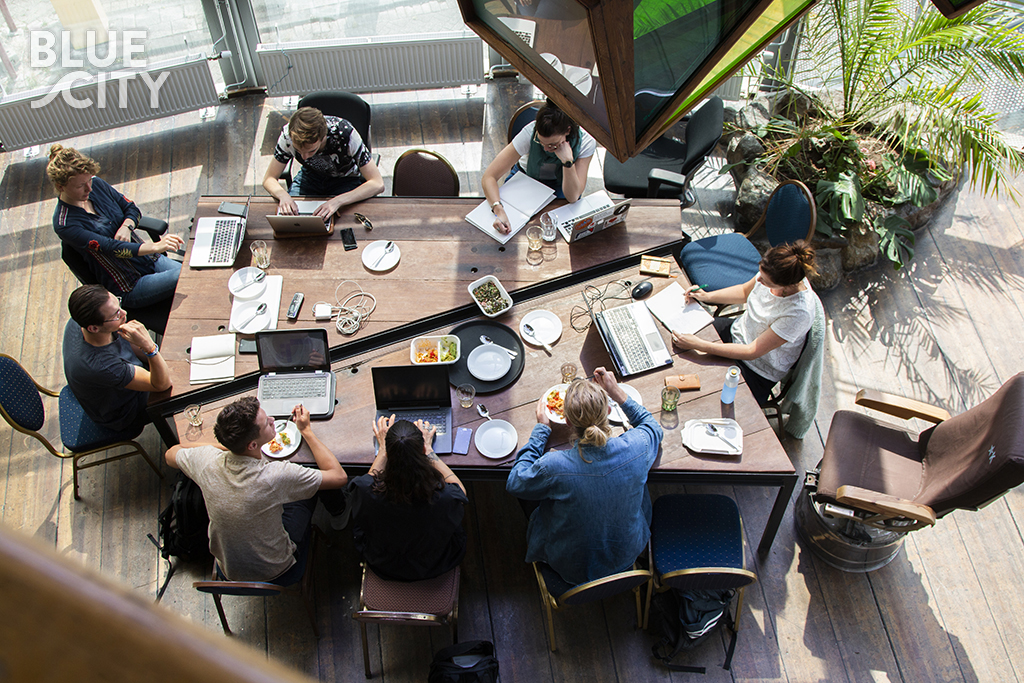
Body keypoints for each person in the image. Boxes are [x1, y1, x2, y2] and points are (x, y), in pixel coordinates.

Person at [506, 368, 663, 586]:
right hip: (627, 556)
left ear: (567, 422)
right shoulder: (637, 446)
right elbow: (653, 427)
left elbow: (515, 482)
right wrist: (617, 391)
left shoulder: (554, 466)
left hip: (571, 568)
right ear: (608, 411)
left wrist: (542, 429)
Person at [165, 397, 348, 584]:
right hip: (279, 571)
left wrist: (228, 448)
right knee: (313, 484)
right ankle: (340, 514)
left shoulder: (206, 462)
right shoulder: (275, 475)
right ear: (252, 445)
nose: (272, 420)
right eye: (267, 423)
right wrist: (306, 431)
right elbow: (338, 477)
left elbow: (171, 453)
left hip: (228, 569)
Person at [671, 241, 821, 405]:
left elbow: (752, 351)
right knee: (678, 336)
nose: (760, 281)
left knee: (703, 395)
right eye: (760, 275)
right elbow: (744, 292)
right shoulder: (772, 271)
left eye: (765, 281)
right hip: (738, 331)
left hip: (756, 368)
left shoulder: (798, 313)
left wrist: (701, 345)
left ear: (786, 285)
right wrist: (706, 297)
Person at [48, 145, 183, 309]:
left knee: (201, 275)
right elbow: (111, 248)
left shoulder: (96, 184)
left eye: (89, 180)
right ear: (61, 187)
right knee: (187, 277)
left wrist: (127, 225)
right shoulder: (65, 224)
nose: (89, 188)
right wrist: (155, 246)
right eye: (80, 186)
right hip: (129, 285)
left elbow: (131, 208)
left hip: (150, 261)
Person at [347, 416, 468, 582]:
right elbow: (460, 491)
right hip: (434, 564)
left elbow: (369, 479)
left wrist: (383, 449)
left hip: (385, 564)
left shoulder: (365, 491)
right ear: (422, 451)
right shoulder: (444, 498)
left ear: (388, 454)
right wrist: (430, 451)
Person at [63, 284, 171, 433]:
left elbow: (127, 344)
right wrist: (150, 348)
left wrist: (151, 352)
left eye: (118, 305)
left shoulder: (82, 319)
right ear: (94, 328)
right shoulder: (102, 365)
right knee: (181, 389)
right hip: (125, 411)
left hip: (116, 384)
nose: (124, 313)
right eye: (115, 315)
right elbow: (162, 385)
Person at [482, 98, 596, 234]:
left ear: (567, 131)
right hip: (526, 179)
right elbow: (489, 176)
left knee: (557, 231)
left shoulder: (586, 142)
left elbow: (572, 197)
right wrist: (498, 209)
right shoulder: (530, 132)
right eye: (541, 142)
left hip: (561, 185)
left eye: (553, 145)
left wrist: (567, 162)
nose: (546, 149)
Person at [262, 106, 385, 220]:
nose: (304, 158)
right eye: (299, 151)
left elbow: (377, 183)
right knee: (292, 220)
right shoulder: (287, 136)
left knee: (344, 225)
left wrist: (337, 201)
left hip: (345, 180)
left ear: (323, 137)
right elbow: (269, 179)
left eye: (311, 151)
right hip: (310, 177)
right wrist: (283, 195)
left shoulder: (346, 134)